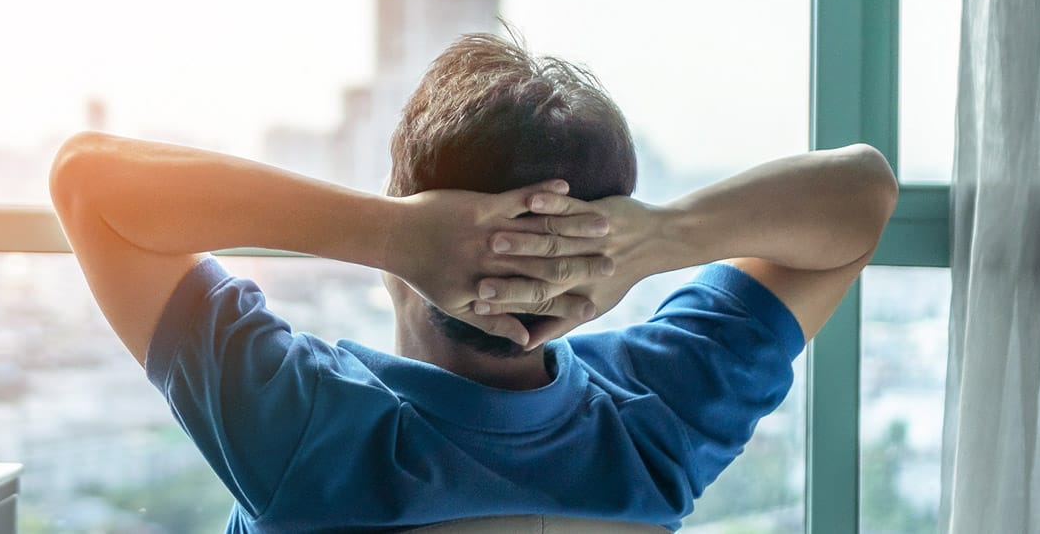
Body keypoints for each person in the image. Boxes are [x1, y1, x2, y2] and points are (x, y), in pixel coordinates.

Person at [47, 32, 897, 532]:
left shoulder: (308, 432)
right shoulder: (657, 417)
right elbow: (863, 191)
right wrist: (659, 239)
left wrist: (393, 233)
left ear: (407, 209)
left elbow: (89, 182)